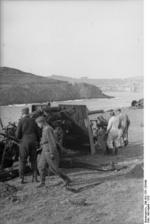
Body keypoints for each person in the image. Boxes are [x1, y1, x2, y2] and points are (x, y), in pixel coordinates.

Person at [35, 116, 71, 188]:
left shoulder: (48, 129)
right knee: (40, 166)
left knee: (54, 168)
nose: (37, 125)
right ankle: (42, 182)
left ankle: (66, 179)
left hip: (49, 150)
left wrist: (52, 153)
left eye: (38, 123)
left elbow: (52, 142)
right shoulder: (45, 129)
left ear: (42, 122)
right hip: (44, 150)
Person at [16, 107, 40, 184]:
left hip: (24, 142)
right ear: (28, 113)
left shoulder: (21, 121)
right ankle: (35, 178)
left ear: (22, 114)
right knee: (33, 160)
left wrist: (21, 138)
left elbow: (17, 135)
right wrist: (37, 141)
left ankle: (21, 179)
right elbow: (38, 133)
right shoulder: (33, 121)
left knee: (22, 160)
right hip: (33, 142)